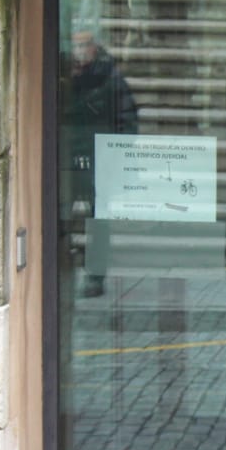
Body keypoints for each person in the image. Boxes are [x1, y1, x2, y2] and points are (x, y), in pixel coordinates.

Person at [64, 29, 139, 298]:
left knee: (99, 221)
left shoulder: (110, 78)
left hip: (100, 160)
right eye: (76, 46)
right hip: (69, 158)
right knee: (62, 216)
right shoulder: (64, 76)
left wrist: (116, 154)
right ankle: (61, 270)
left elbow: (127, 120)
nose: (80, 51)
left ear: (94, 47)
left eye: (84, 45)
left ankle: (95, 276)